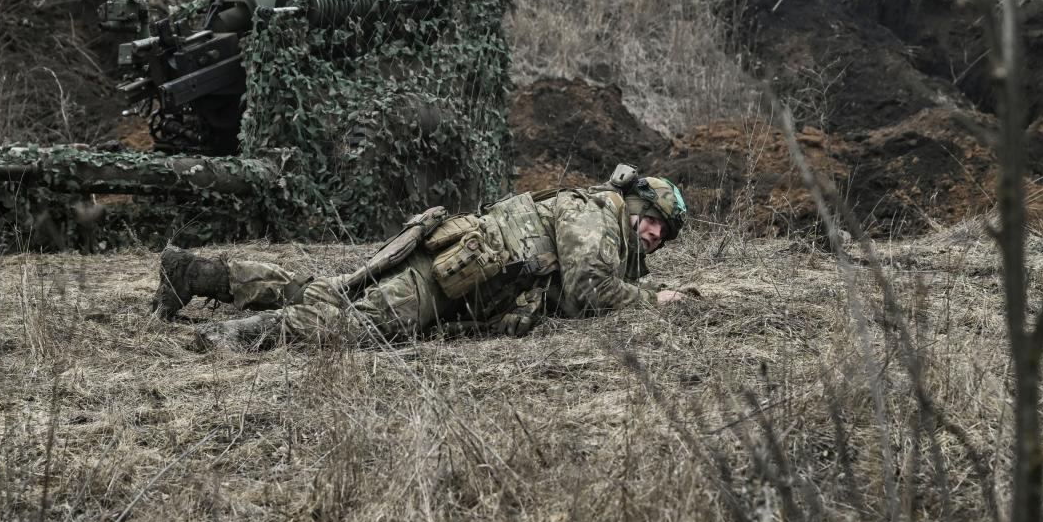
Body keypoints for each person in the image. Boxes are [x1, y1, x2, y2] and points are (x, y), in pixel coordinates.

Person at [150, 167, 692, 349]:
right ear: (637, 204)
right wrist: (649, 298)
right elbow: (588, 289)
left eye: (661, 234)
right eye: (653, 221)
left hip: (455, 273)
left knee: (325, 289)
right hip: (443, 276)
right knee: (350, 328)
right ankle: (227, 339)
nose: (652, 235)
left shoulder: (605, 224)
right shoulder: (599, 211)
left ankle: (197, 274)